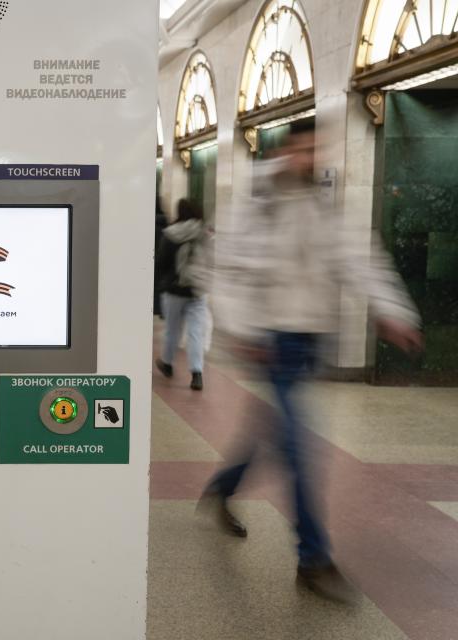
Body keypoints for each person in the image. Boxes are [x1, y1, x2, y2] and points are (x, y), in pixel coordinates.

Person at [201, 128, 423, 602]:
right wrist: (242, 330)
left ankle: (222, 488)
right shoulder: (254, 203)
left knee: (272, 430)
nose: (313, 157)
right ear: (284, 151)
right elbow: (223, 270)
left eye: (319, 149)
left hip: (309, 340)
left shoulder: (325, 205)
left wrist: (393, 311)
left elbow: (362, 260)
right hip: (270, 340)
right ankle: (314, 559)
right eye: (304, 149)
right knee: (301, 444)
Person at [155, 198, 211, 391]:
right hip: (197, 291)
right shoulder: (203, 232)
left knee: (172, 330)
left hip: (174, 290)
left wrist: (163, 283)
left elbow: (161, 263)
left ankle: (167, 364)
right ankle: (196, 374)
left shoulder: (171, 234)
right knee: (195, 332)